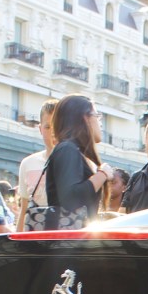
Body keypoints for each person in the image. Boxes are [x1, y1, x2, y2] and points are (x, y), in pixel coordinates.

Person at [42, 94, 110, 229]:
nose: (100, 123)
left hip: (71, 243)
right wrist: (103, 174)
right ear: (85, 118)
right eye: (97, 116)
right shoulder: (67, 149)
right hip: (69, 244)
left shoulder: (72, 150)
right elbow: (71, 199)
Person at [16, 98, 58, 231]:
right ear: (40, 129)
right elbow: (24, 210)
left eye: (57, 126)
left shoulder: (80, 162)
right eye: (47, 127)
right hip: (35, 240)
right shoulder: (28, 164)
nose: (52, 132)